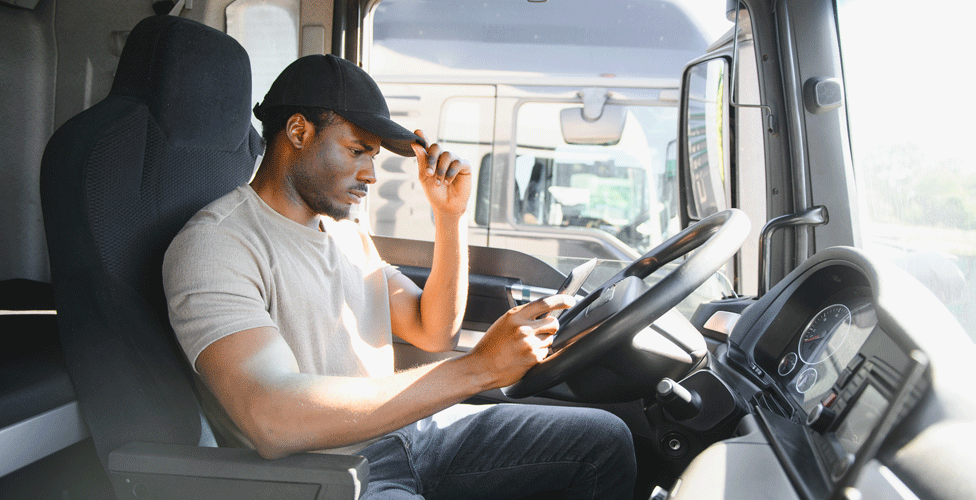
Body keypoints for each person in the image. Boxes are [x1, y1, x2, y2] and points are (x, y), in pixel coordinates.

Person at [163, 54, 635, 499]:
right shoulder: (218, 245)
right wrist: (479, 368)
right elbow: (271, 419)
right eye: (357, 151)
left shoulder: (343, 232)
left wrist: (450, 219)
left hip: (409, 433)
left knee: (604, 442)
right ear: (299, 131)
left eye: (374, 157)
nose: (370, 174)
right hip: (325, 472)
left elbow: (434, 331)